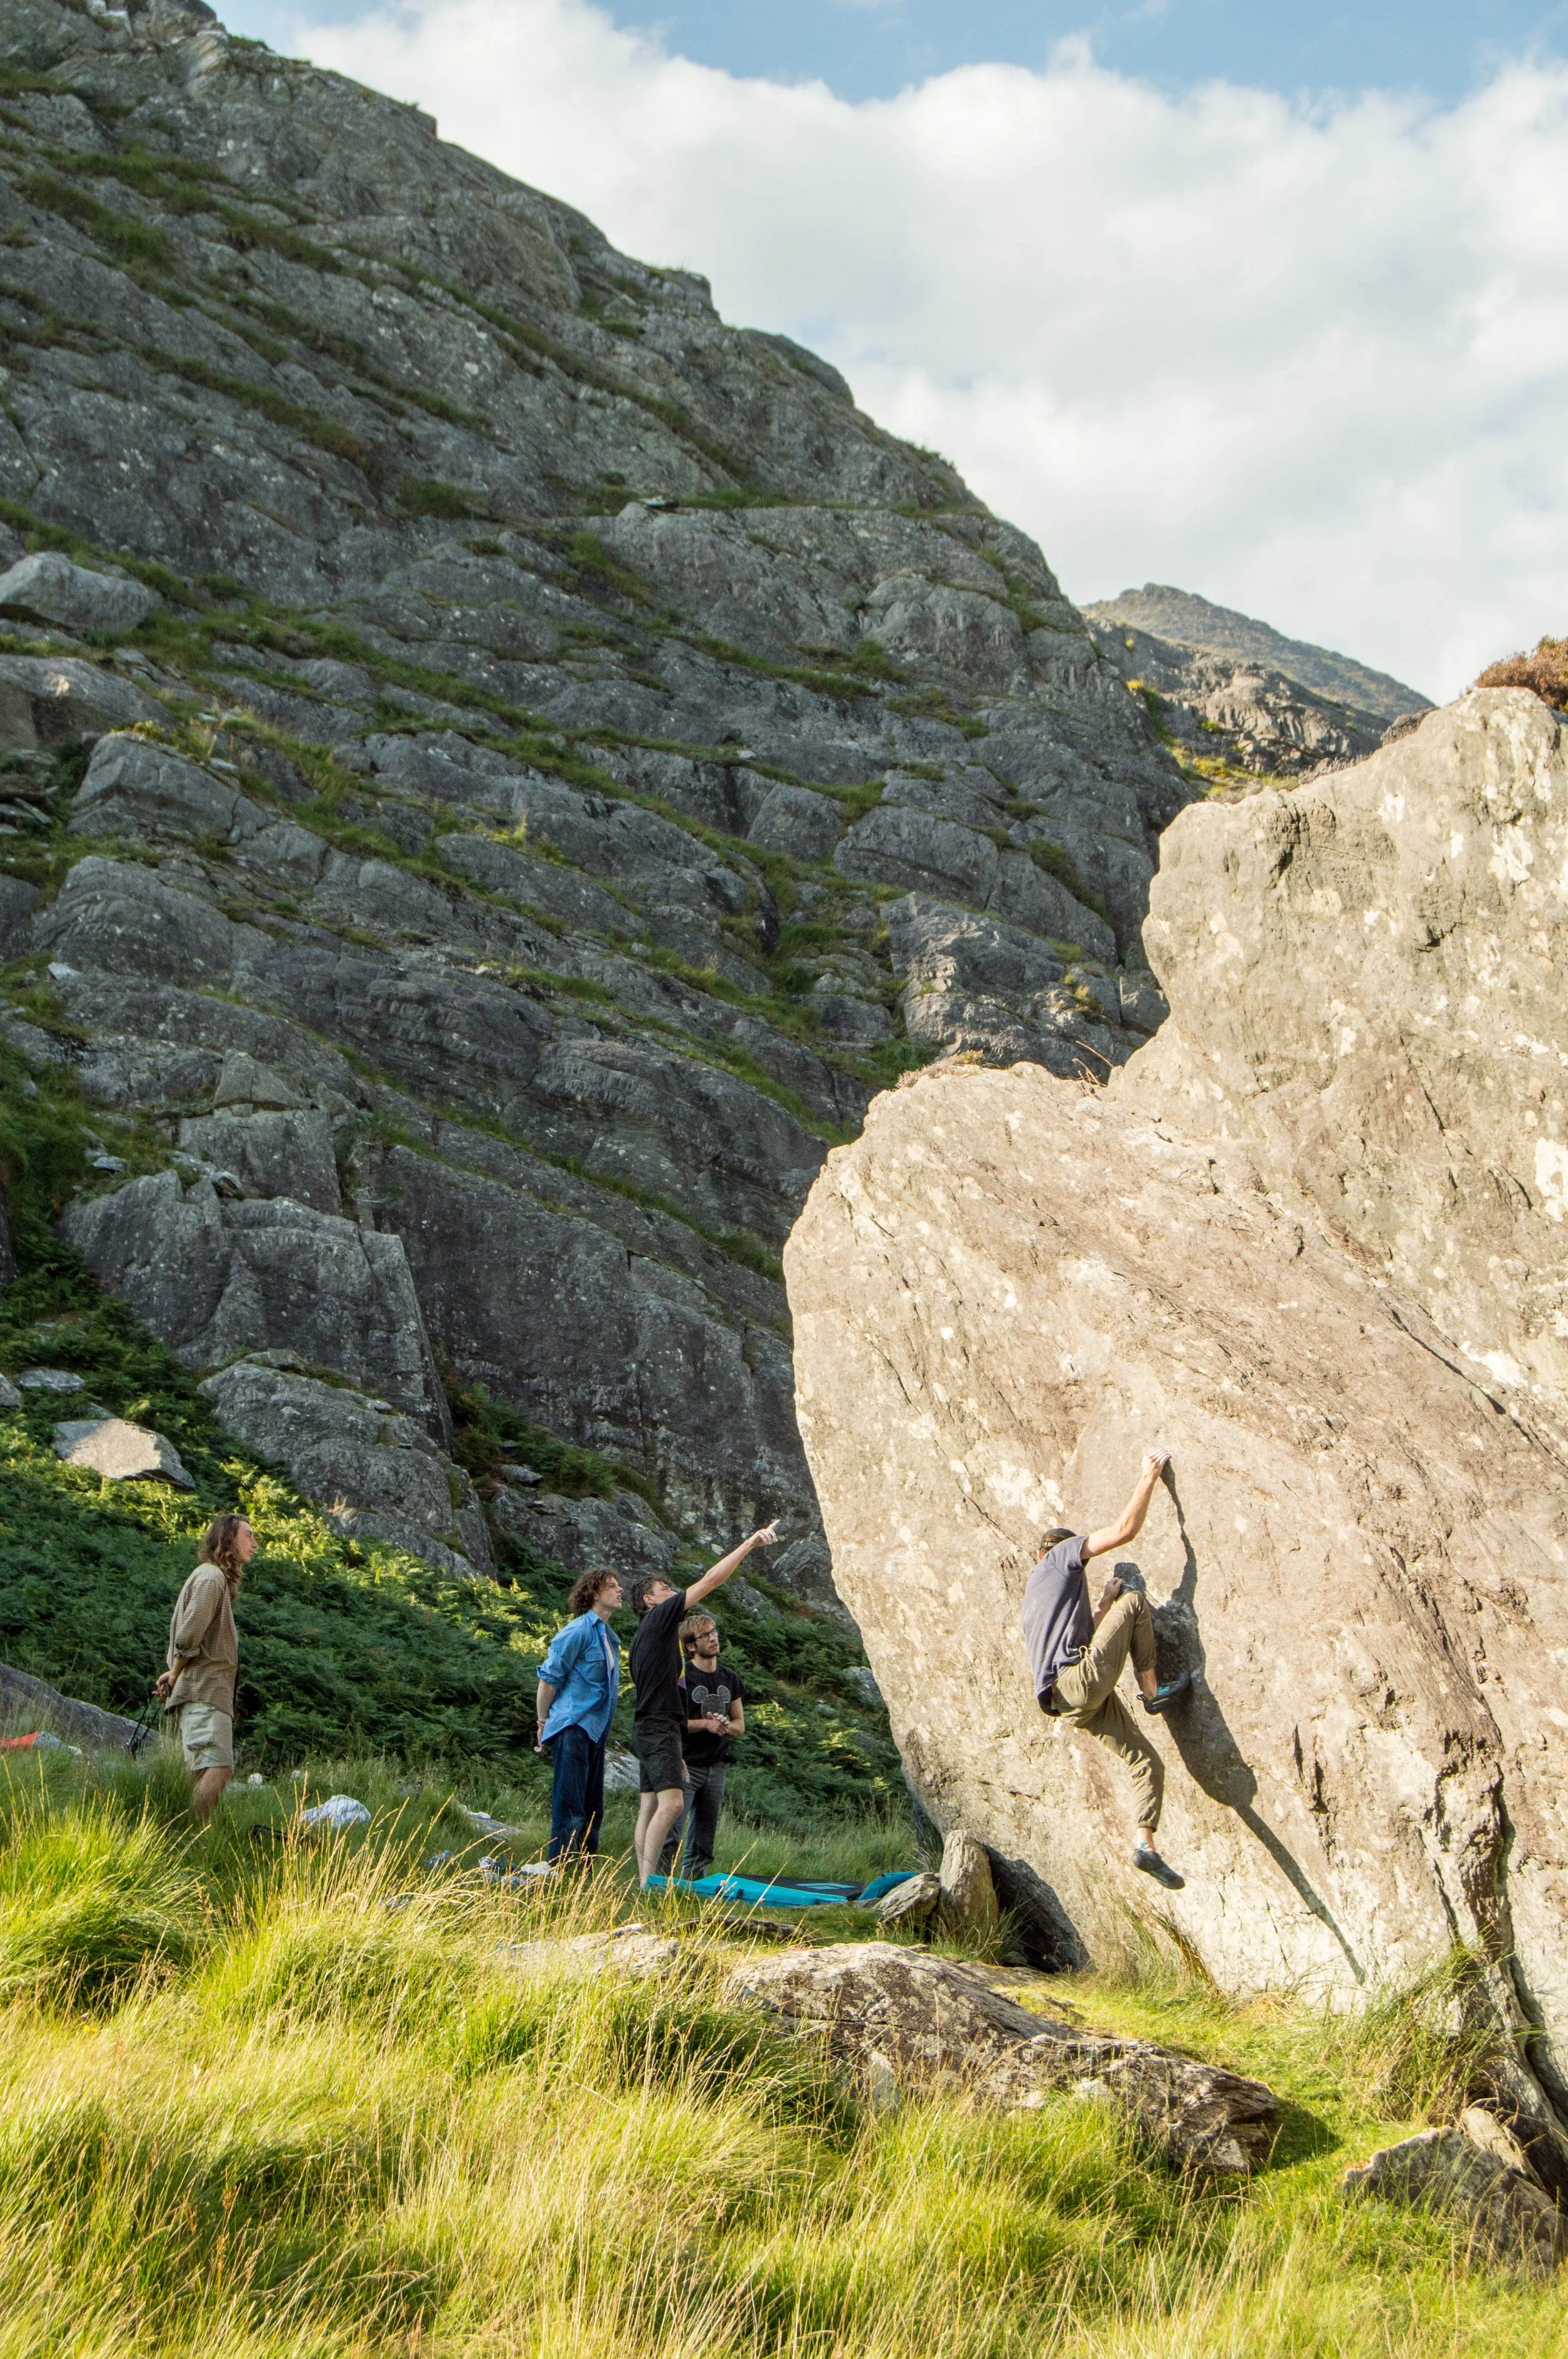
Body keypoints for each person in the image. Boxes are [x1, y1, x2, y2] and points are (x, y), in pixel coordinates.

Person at [1021, 1450, 1193, 1889]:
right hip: (1077, 1683)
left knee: (1147, 1762)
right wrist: (1148, 1478)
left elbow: (1078, 1640)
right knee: (1135, 1602)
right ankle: (1153, 1693)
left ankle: (1146, 1846)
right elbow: (1123, 1532)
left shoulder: (1041, 1593)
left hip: (1072, 1703)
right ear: (1052, 1551)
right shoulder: (1059, 1560)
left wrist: (1101, 1603)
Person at [628, 1523, 776, 1887]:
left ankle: (644, 1883)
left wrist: (675, 1737)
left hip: (653, 1725)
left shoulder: (644, 1637)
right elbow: (711, 1580)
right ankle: (649, 1885)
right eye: (665, 1590)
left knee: (649, 1807)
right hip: (658, 1725)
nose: (674, 1592)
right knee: (673, 1805)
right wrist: (750, 1543)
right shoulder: (660, 1618)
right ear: (650, 1600)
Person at [154, 1511, 254, 1821]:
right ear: (228, 1540)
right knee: (220, 1768)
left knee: (203, 1771)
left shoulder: (211, 1578)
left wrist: (175, 1675)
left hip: (204, 1692)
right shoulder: (211, 1578)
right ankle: (191, 1832)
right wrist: (175, 1674)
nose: (255, 1543)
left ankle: (180, 1830)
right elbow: (188, 1635)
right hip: (205, 1693)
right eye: (248, 1535)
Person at [534, 1568, 623, 1862]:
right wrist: (543, 1722)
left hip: (595, 1731)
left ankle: (583, 1877)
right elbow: (549, 1679)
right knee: (570, 1806)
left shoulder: (610, 1638)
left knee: (593, 1807)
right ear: (594, 1594)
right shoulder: (577, 1630)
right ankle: (558, 1869)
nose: (619, 1590)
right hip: (572, 1727)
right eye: (611, 1586)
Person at [658, 1612, 745, 1880]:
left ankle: (695, 1886)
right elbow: (673, 1721)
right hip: (686, 1761)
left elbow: (740, 1724)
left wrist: (724, 1725)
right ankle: (659, 1884)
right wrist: (705, 1725)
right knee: (673, 1832)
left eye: (714, 1632)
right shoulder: (683, 1676)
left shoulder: (729, 1677)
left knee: (705, 1839)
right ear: (691, 1646)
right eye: (705, 1635)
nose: (713, 1638)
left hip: (716, 1764)